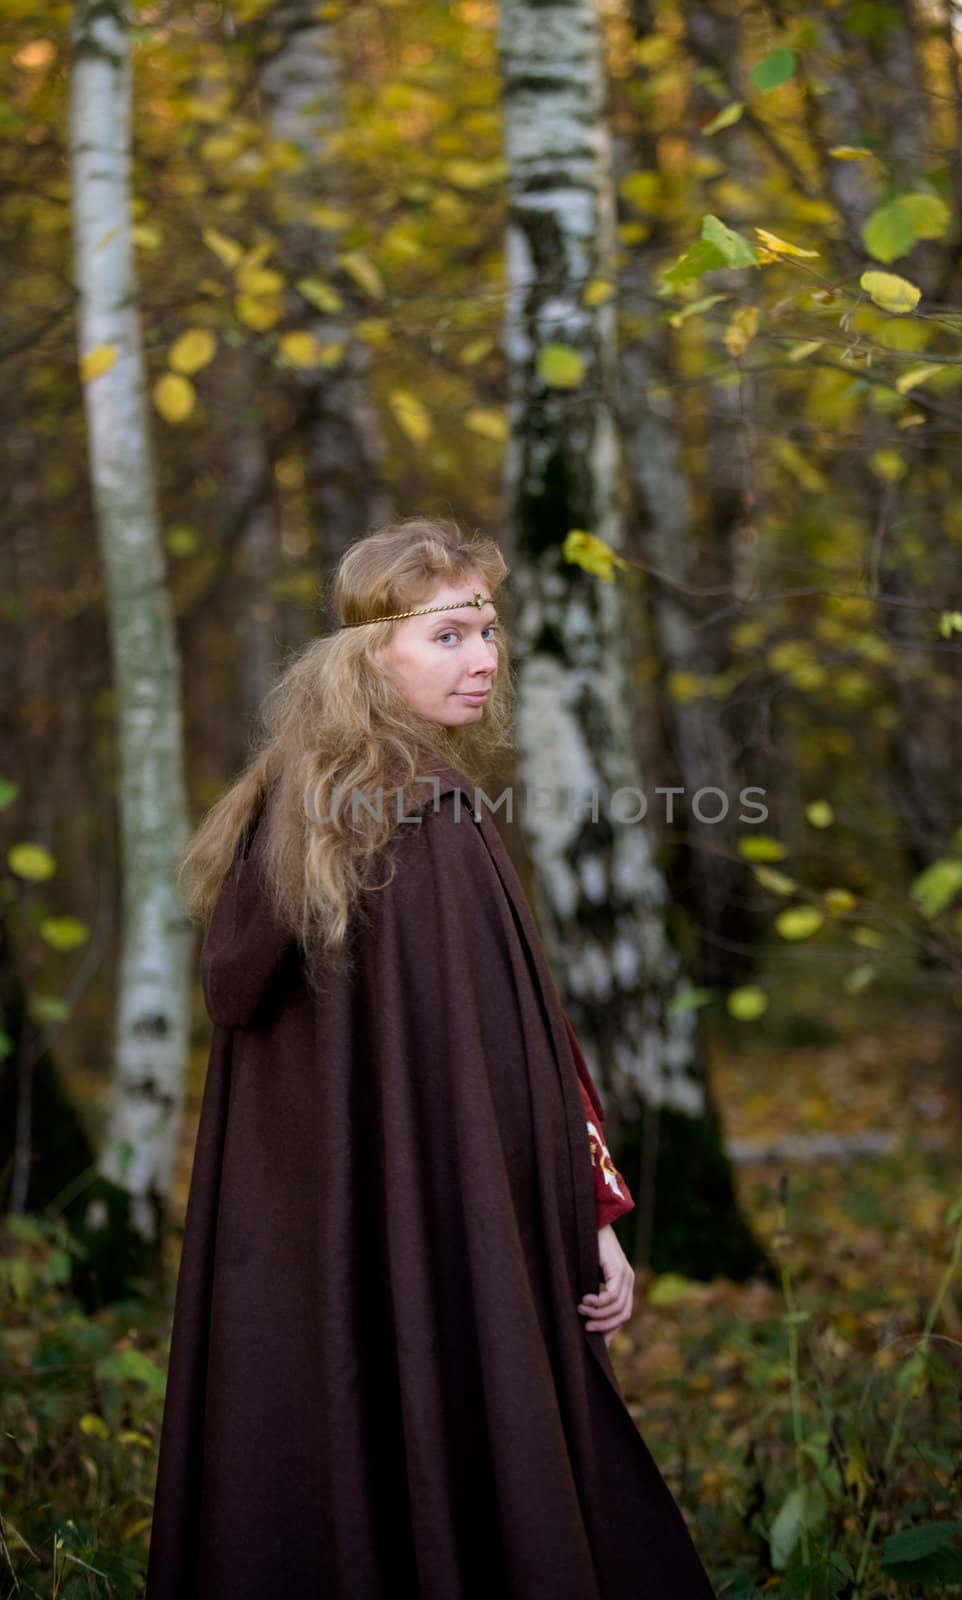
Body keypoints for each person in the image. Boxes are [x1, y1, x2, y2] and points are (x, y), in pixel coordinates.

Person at [144, 518, 717, 1598]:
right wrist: (577, 1215)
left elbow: (504, 1044)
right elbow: (503, 1065)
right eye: (449, 636)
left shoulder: (299, 797)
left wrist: (586, 1205)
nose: (485, 659)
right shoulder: (422, 814)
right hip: (450, 1237)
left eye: (488, 631)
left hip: (325, 1252)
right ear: (369, 657)